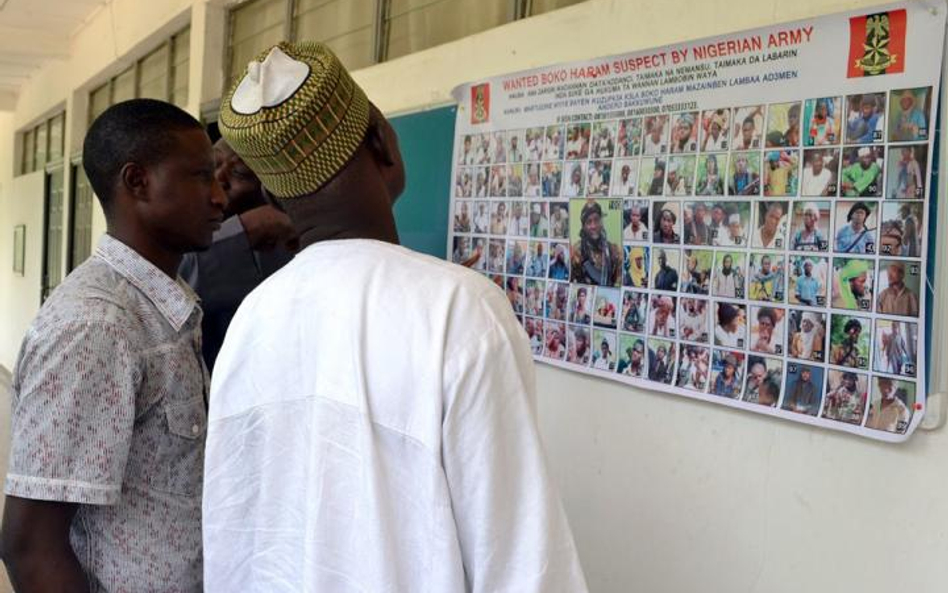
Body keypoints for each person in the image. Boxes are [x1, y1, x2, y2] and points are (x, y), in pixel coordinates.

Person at [205, 42, 586, 591]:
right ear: (383, 140)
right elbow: (523, 561)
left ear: (272, 193)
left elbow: (234, 534)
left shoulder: (252, 320)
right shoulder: (458, 310)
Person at [1, 100, 227, 591]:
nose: (219, 198)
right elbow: (30, 543)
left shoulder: (165, 309)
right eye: (200, 176)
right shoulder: (98, 326)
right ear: (137, 182)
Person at [179, 138, 297, 371]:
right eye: (213, 163)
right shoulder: (178, 227)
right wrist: (246, 229)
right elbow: (163, 285)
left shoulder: (292, 243)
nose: (219, 178)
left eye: (240, 173)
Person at [570, 201, 622, 286]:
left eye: (596, 220)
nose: (593, 226)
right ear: (583, 226)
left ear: (601, 222)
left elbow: (619, 282)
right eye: (588, 222)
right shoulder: (576, 252)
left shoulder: (614, 251)